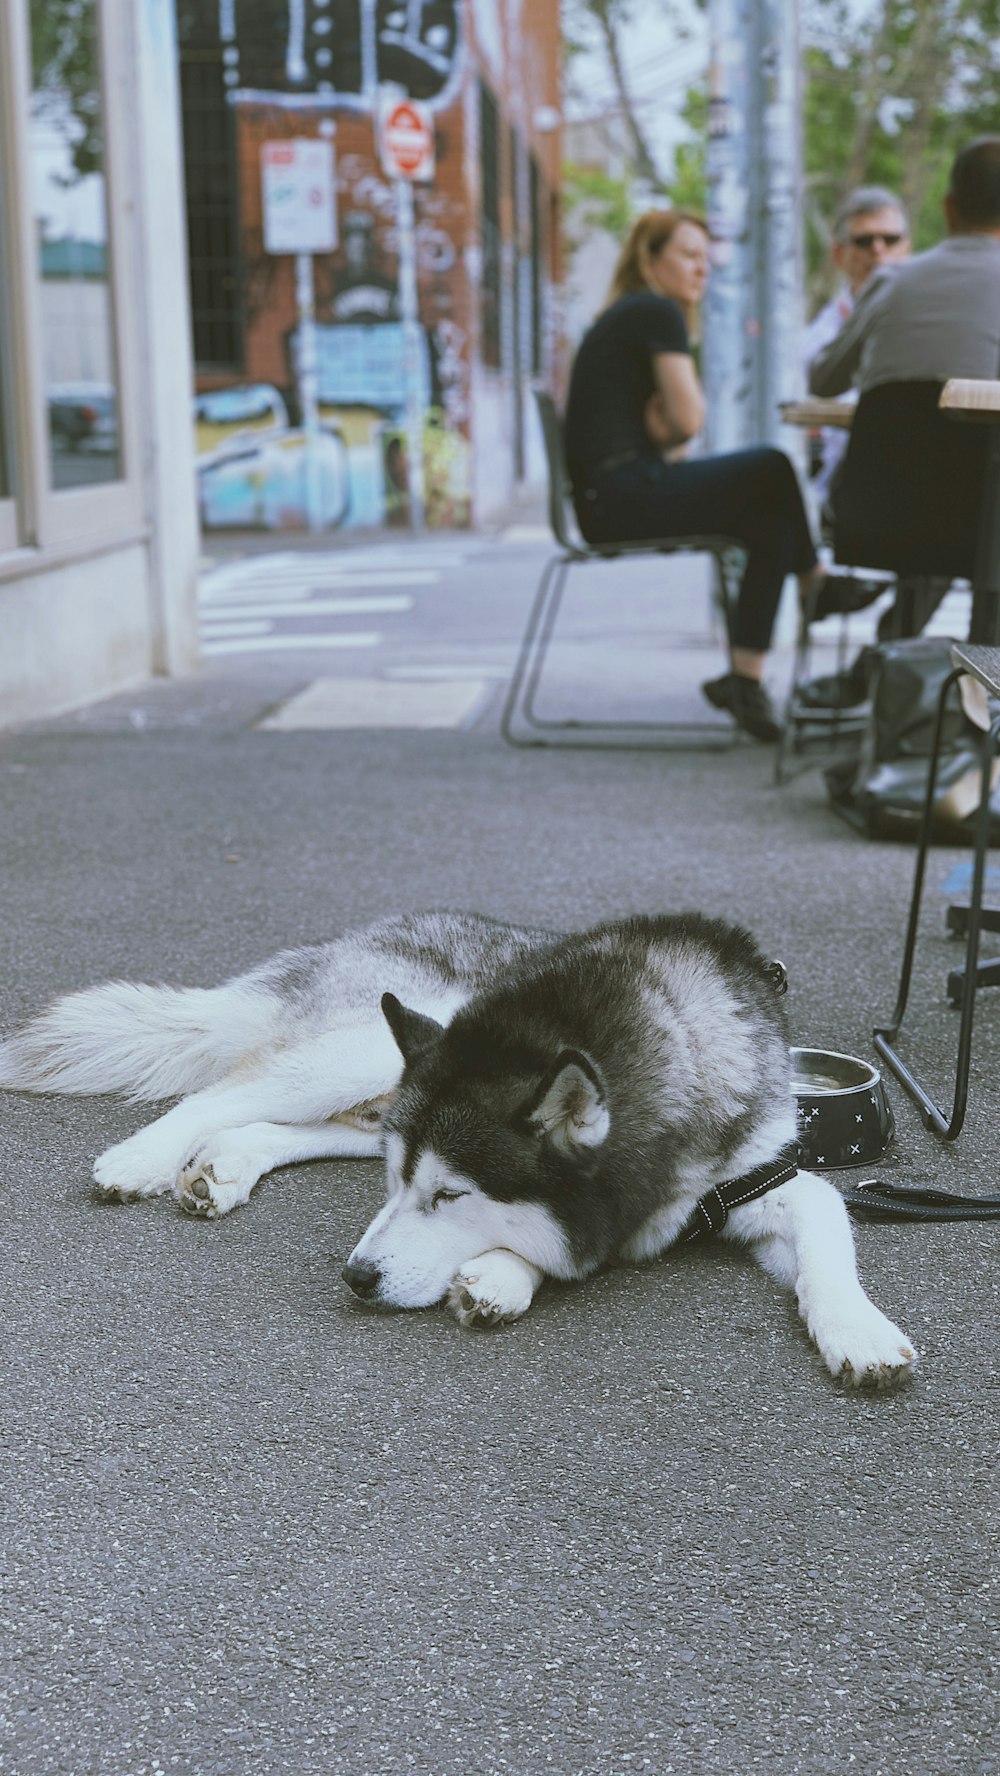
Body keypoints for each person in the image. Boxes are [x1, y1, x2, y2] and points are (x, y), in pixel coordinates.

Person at [565, 209, 827, 743]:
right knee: (772, 466)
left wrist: (665, 431)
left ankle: (744, 679)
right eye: (688, 255)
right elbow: (689, 421)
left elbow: (667, 430)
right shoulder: (655, 312)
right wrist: (671, 427)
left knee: (767, 519)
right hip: (622, 494)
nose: (701, 270)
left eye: (707, 260)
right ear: (650, 259)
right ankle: (815, 583)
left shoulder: (626, 314)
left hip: (609, 495)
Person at [805, 137, 1000, 705]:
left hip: (878, 513)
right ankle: (969, 713)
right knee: (977, 510)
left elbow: (822, 379)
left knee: (947, 512)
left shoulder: (891, 283)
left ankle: (894, 681)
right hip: (980, 521)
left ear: (947, 208)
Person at [803, 186, 910, 504]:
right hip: (849, 484)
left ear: (907, 247)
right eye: (864, 241)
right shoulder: (818, 340)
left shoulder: (932, 317)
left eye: (890, 240)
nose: (878, 249)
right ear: (839, 254)